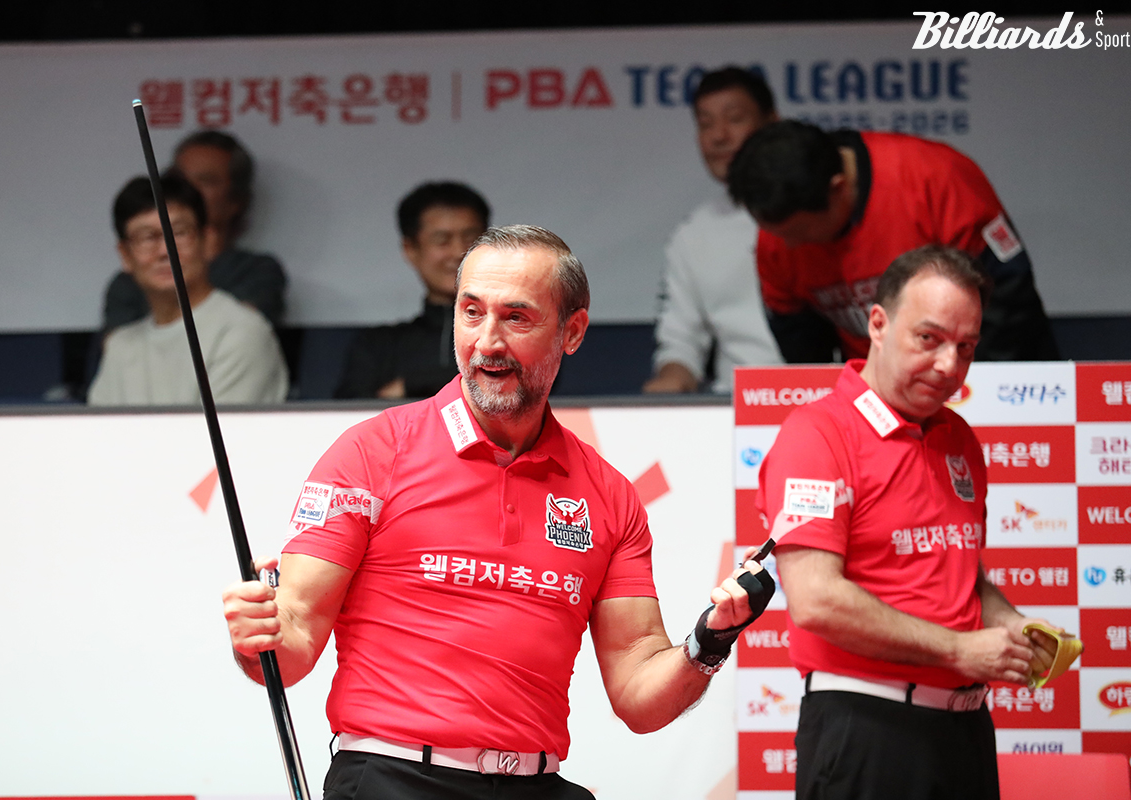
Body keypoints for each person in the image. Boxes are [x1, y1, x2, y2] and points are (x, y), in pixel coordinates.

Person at [223, 225, 775, 798]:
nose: (487, 341)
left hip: (537, 784)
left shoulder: (610, 495)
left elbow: (638, 691)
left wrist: (708, 643)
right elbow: (288, 648)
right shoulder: (372, 453)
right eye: (471, 312)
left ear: (573, 332)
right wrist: (255, 633)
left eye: (517, 317)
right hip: (392, 779)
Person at [756, 245, 1066, 799]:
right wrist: (958, 650)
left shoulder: (959, 438)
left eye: (966, 347)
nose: (950, 365)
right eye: (930, 338)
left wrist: (1010, 624)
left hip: (966, 729)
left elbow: (962, 575)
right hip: (867, 728)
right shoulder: (817, 434)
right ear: (878, 323)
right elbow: (816, 599)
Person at [728, 120, 1060, 364]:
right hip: (879, 399)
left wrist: (975, 393)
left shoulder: (934, 179)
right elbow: (802, 349)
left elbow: (1008, 297)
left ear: (838, 188)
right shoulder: (777, 233)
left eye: (798, 235)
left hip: (987, 374)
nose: (785, 247)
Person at [88, 174, 288, 406]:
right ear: (125, 255)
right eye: (146, 238)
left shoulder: (241, 332)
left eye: (179, 234)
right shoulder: (120, 346)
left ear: (207, 240)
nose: (164, 251)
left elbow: (225, 437)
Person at [644, 67, 783, 394]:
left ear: (772, 123)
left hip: (832, 403)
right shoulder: (693, 235)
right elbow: (680, 341)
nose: (719, 136)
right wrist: (671, 379)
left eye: (734, 119)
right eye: (706, 124)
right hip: (739, 411)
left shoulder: (818, 214)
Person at [101, 130, 288, 330]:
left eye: (206, 180)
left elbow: (239, 333)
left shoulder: (256, 271)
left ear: (236, 200)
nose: (188, 187)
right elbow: (118, 348)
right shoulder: (131, 279)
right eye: (179, 177)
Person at [334, 181, 489, 400]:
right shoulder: (378, 346)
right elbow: (343, 415)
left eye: (469, 238)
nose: (458, 252)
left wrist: (410, 386)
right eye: (442, 240)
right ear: (410, 250)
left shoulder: (516, 331)